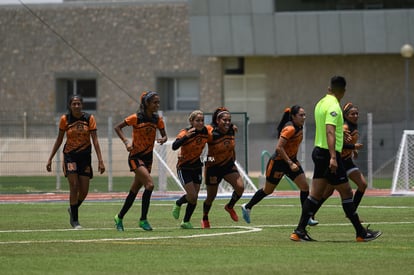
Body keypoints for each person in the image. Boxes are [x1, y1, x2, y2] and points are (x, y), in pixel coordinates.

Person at [289, 76, 381, 242]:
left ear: (330, 88)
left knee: (315, 195)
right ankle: (360, 233)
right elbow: (330, 131)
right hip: (328, 154)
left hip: (319, 151)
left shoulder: (321, 103)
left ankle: (299, 231)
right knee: (346, 191)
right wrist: (333, 157)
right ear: (343, 91)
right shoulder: (334, 106)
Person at [241, 106, 318, 226]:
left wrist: (292, 161)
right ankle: (247, 206)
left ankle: (306, 217)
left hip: (291, 161)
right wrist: (290, 163)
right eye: (301, 115)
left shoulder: (299, 127)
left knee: (304, 187)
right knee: (268, 190)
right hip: (278, 163)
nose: (303, 117)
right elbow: (279, 148)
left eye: (304, 115)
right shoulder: (290, 128)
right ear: (293, 116)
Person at [46, 95, 105, 229]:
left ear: (82, 105)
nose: (77, 106)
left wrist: (100, 160)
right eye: (74, 104)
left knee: (84, 191)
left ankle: (72, 209)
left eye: (79, 104)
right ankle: (75, 221)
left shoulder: (89, 119)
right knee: (74, 186)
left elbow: (95, 140)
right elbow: (59, 140)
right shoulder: (65, 119)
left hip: (85, 157)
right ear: (70, 106)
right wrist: (50, 158)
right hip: (70, 157)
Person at [113, 91, 167, 231]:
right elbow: (117, 127)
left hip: (148, 158)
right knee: (149, 185)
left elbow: (164, 135)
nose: (157, 105)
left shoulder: (157, 119)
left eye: (158, 102)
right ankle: (143, 220)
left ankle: (119, 217)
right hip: (135, 157)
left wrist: (163, 139)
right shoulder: (136, 118)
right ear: (146, 103)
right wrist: (126, 142)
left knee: (134, 190)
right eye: (154, 102)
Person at [312, 103, 367, 221]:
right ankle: (310, 213)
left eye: (357, 113)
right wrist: (353, 147)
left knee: (362, 185)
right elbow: (338, 145)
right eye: (352, 114)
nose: (355, 115)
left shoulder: (354, 126)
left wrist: (354, 150)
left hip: (347, 161)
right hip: (339, 162)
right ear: (346, 116)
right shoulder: (344, 128)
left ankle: (352, 212)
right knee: (327, 192)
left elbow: (348, 144)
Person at [201, 107, 244, 228]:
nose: (227, 122)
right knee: (211, 197)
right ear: (217, 120)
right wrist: (204, 161)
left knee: (240, 187)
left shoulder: (231, 130)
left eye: (229, 120)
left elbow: (232, 147)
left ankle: (229, 206)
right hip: (213, 167)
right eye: (224, 120)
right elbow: (199, 145)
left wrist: (233, 160)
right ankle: (205, 217)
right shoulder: (210, 132)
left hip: (228, 165)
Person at [171, 110, 209, 229]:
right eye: (197, 120)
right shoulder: (185, 132)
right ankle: (178, 203)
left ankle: (186, 221)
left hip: (196, 166)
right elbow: (174, 146)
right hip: (184, 167)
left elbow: (217, 132)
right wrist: (186, 137)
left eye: (202, 120)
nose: (200, 123)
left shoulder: (206, 132)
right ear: (191, 121)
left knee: (194, 197)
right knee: (192, 195)